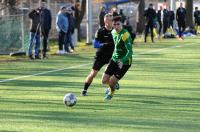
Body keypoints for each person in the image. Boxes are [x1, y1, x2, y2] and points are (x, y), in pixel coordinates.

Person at [81, 13, 115, 96]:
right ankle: (85, 90)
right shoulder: (100, 31)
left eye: (113, 19)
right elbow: (95, 44)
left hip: (111, 56)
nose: (113, 21)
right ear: (106, 21)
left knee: (109, 76)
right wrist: (103, 44)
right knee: (93, 74)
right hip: (100, 56)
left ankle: (111, 88)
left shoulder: (116, 31)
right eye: (111, 20)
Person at [102, 16, 133, 101]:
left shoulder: (125, 35)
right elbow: (116, 45)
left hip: (125, 62)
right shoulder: (113, 32)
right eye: (114, 24)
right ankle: (114, 84)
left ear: (122, 24)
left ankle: (111, 93)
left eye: (118, 24)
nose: (116, 26)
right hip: (114, 59)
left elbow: (130, 52)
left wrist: (122, 61)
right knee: (104, 80)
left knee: (112, 81)